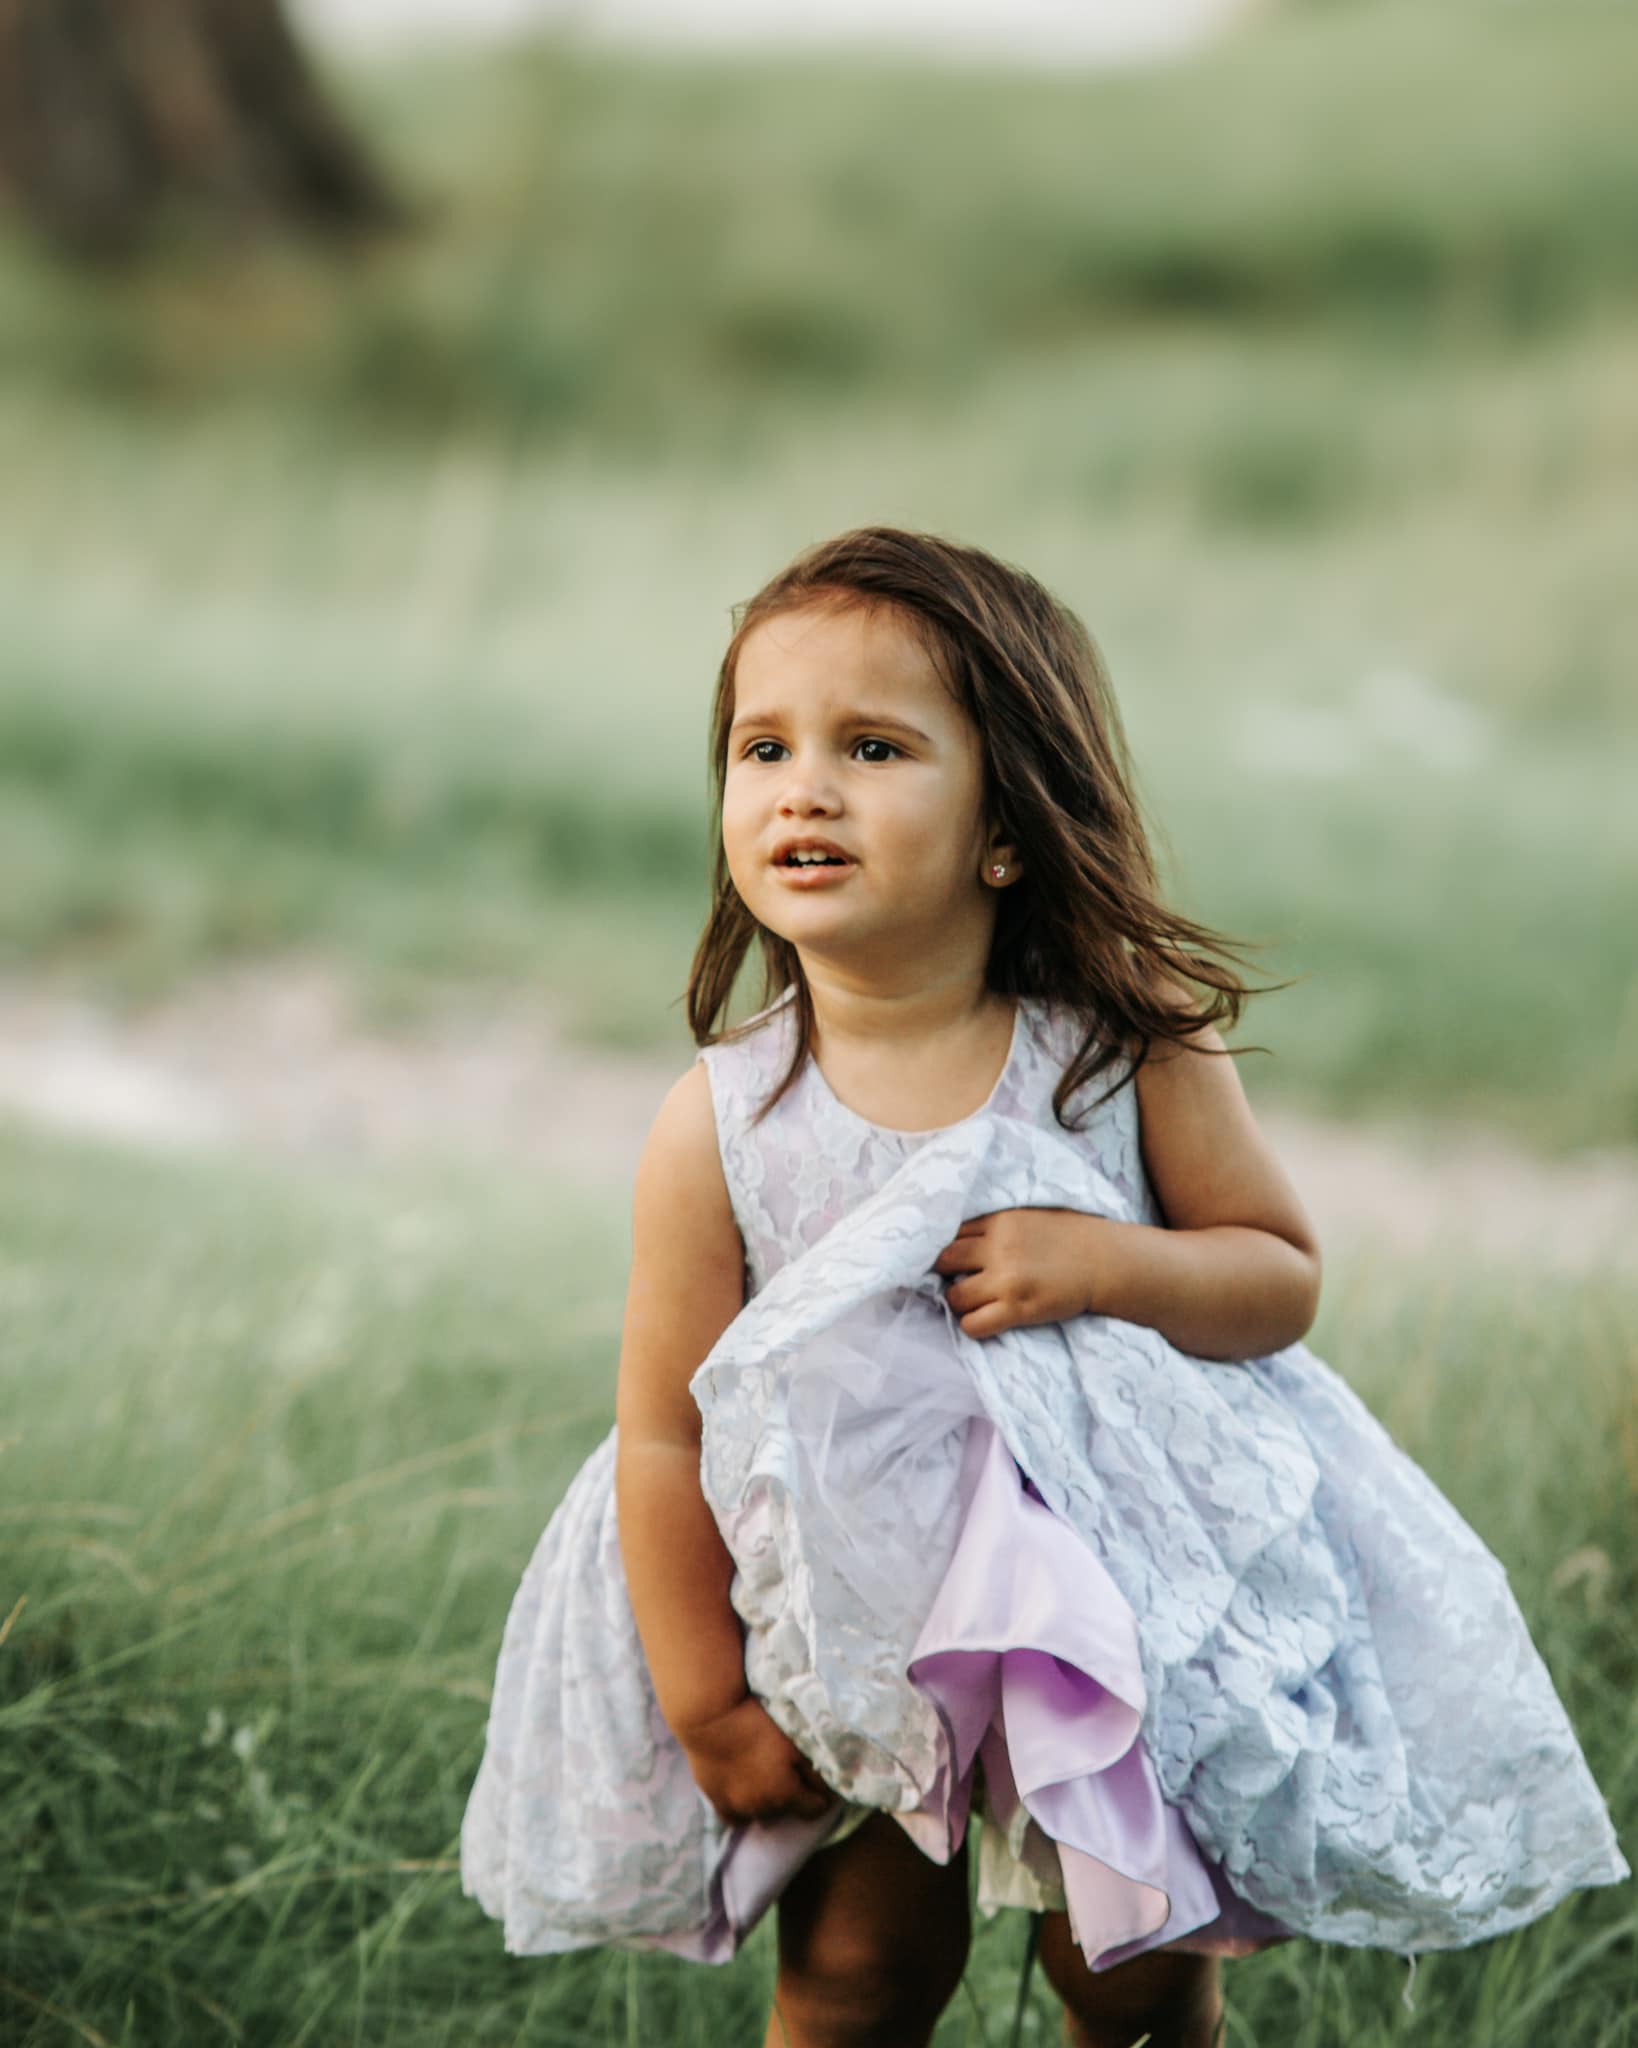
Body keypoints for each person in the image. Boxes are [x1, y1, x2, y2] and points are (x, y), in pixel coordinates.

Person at [461, 527, 1628, 2048]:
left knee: (1129, 1964)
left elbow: (1274, 1278)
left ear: (1005, 826)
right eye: (763, 748)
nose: (801, 786)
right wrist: (709, 1706)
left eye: (870, 746)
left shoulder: (1114, 1047)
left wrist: (1111, 1264)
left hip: (1105, 1593)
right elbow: (663, 1428)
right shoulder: (727, 1117)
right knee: (857, 1970)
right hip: (851, 1614)